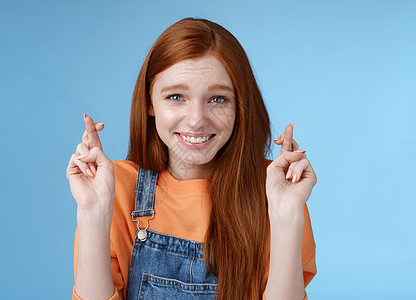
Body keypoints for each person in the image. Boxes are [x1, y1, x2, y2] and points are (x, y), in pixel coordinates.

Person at [66, 18, 317, 300]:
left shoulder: (276, 192)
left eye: (217, 99)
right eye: (176, 97)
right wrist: (92, 212)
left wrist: (286, 216)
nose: (196, 120)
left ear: (239, 106)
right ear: (150, 102)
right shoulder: (116, 188)